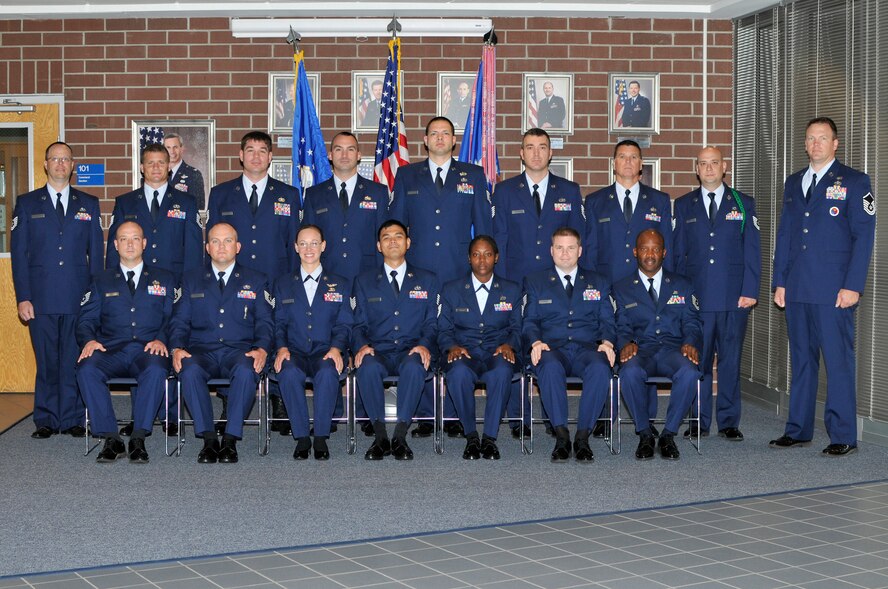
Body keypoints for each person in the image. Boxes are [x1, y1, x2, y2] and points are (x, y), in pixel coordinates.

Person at [771, 116, 876, 456]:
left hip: (834, 291)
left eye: (823, 138)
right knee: (801, 360)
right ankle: (799, 429)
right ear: (805, 144)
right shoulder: (793, 183)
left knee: (838, 361)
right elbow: (785, 236)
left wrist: (853, 286)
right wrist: (780, 281)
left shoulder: (856, 182)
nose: (816, 143)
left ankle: (843, 434)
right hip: (798, 289)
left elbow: (863, 238)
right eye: (810, 138)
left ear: (835, 143)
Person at [389, 116, 491, 436]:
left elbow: (484, 229)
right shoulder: (407, 175)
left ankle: (453, 414)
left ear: (454, 140)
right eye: (434, 133)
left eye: (446, 133)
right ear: (424, 140)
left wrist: (482, 270)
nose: (440, 138)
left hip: (458, 270)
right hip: (417, 271)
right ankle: (423, 414)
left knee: (455, 339)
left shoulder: (472, 175)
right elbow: (395, 226)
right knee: (419, 337)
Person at [491, 127, 584, 437]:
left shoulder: (569, 191)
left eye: (542, 147)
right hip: (515, 283)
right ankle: (519, 418)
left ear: (550, 152)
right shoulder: (504, 191)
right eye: (529, 147)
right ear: (521, 153)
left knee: (550, 349)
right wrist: (502, 284)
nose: (535, 152)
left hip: (556, 286)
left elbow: (576, 239)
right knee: (518, 347)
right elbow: (499, 240)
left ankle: (551, 417)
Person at [206, 131, 299, 433]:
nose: (256, 156)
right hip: (233, 283)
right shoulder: (221, 194)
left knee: (274, 337)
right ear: (240, 155)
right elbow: (212, 241)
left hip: (276, 281)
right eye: (250, 150)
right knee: (232, 337)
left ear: (271, 157)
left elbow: (293, 244)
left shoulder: (288, 194)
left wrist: (292, 284)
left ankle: (278, 399)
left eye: (262, 150)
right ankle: (229, 402)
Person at [11, 141, 104, 439]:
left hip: (78, 298)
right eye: (55, 159)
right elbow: (19, 255)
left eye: (66, 159)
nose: (61, 164)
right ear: (46, 164)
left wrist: (95, 301)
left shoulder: (88, 203)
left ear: (73, 165)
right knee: (47, 361)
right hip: (41, 298)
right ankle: (47, 419)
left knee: (74, 359)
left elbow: (96, 258)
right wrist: (23, 297)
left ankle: (75, 417)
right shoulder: (27, 204)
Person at [583, 139, 672, 436]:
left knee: (643, 347)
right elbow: (592, 248)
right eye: (622, 156)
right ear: (614, 163)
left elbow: (665, 246)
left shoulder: (659, 200)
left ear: (641, 164)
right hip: (608, 288)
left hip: (646, 288)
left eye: (634, 157)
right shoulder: (595, 201)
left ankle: (643, 419)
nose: (628, 161)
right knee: (608, 349)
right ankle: (604, 417)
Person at [673, 146, 760, 440]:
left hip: (733, 298)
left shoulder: (742, 202)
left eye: (714, 163)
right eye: (703, 164)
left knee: (730, 361)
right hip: (697, 300)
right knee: (697, 360)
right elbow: (677, 253)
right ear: (696, 169)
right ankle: (699, 420)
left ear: (725, 167)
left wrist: (750, 290)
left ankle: (728, 421)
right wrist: (679, 296)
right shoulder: (684, 205)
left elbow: (752, 250)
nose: (709, 168)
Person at [169, 223, 273, 463]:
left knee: (247, 371)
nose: (221, 246)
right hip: (202, 351)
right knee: (189, 368)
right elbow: (179, 321)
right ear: (207, 248)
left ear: (238, 247)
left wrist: (262, 349)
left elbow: (266, 322)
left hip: (239, 351)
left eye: (228, 241)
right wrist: (176, 348)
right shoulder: (191, 279)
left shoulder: (256, 280)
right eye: (215, 241)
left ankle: (229, 440)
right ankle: (208, 439)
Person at [75, 222, 176, 463]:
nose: (129, 243)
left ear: (144, 243)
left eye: (135, 238)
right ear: (116, 245)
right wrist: (89, 340)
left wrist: (162, 339)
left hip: (149, 349)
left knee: (155, 369)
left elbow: (174, 317)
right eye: (123, 239)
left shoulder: (165, 278)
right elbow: (85, 319)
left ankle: (139, 437)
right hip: (112, 350)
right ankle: (111, 437)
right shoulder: (101, 280)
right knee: (86, 368)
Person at [523, 227, 617, 463]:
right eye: (560, 248)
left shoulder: (598, 281)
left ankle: (583, 437)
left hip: (588, 349)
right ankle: (562, 436)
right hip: (552, 349)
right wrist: (535, 342)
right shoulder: (535, 281)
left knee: (600, 366)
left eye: (571, 248)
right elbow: (529, 320)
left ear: (580, 251)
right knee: (549, 365)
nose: (565, 254)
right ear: (551, 250)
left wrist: (607, 343)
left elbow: (608, 319)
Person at [352, 220, 440, 461]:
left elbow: (432, 322)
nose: (393, 241)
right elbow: (357, 324)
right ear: (379, 246)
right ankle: (380, 437)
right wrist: (362, 346)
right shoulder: (364, 281)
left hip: (410, 350)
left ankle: (400, 436)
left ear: (408, 243)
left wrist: (423, 344)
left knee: (415, 366)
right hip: (377, 350)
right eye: (386, 237)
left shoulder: (427, 279)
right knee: (367, 368)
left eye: (399, 236)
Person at [614, 229, 702, 461]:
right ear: (635, 252)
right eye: (644, 248)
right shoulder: (622, 287)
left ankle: (668, 435)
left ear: (664, 252)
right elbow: (620, 325)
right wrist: (626, 343)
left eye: (655, 249)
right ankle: (644, 434)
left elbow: (693, 321)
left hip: (672, 350)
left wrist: (690, 342)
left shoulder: (683, 284)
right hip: (641, 349)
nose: (650, 254)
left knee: (690, 372)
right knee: (629, 371)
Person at [272, 225, 353, 461]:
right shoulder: (283, 283)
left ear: (323, 246)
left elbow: (344, 323)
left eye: (314, 243)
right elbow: (277, 323)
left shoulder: (340, 283)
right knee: (287, 373)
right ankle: (302, 438)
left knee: (328, 373)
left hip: (324, 350)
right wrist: (281, 348)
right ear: (296, 247)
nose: (309, 249)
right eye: (304, 243)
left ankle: (319, 436)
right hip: (294, 350)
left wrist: (337, 348)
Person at [438, 236, 522, 460]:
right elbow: (443, 330)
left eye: (487, 254)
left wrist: (509, 344)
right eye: (476, 254)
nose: (481, 259)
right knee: (457, 372)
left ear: (496, 257)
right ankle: (471, 436)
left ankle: (490, 439)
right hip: (465, 353)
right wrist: (452, 346)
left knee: (503, 371)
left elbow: (518, 328)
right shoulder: (451, 290)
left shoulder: (512, 290)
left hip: (497, 352)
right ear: (469, 259)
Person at [302, 132, 389, 281]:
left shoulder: (378, 192)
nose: (344, 155)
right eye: (338, 149)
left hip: (368, 276)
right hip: (325, 277)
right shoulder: (314, 195)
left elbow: (383, 238)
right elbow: (307, 238)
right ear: (330, 155)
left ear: (359, 155)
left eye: (350, 149)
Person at [164, 133, 206, 210]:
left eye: (175, 147)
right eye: (168, 148)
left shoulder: (193, 174)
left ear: (182, 149)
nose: (172, 151)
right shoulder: (158, 174)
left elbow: (198, 206)